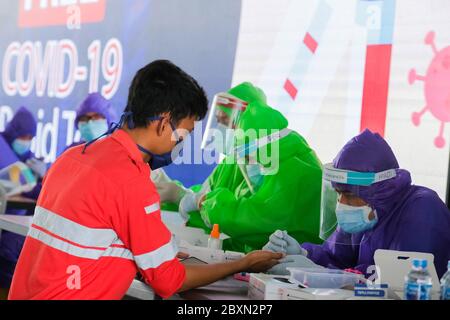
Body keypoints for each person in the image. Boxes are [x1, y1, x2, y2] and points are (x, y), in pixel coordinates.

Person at [8, 60, 282, 300]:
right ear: (164, 123)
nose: (183, 142)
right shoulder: (130, 182)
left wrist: (160, 254)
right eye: (184, 133)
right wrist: (242, 264)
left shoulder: (73, 157)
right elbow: (169, 280)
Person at [264, 129, 450, 278]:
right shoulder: (365, 215)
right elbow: (335, 256)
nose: (342, 203)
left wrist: (322, 274)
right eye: (338, 193)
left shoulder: (422, 210)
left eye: (349, 194)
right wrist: (304, 254)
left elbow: (401, 280)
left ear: (379, 191)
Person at [178, 82, 323, 253]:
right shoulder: (248, 156)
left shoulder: (293, 167)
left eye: (225, 120)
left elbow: (256, 220)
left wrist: (202, 203)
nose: (221, 129)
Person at [0, 106, 45, 298]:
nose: (26, 142)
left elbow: (36, 186)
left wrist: (44, 176)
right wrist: (36, 179)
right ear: (14, 132)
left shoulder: (27, 157)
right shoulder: (2, 146)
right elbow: (14, 181)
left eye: (30, 138)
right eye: (23, 136)